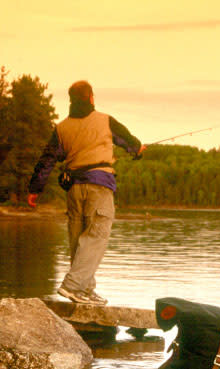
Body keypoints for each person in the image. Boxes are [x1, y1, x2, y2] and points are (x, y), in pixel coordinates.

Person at [27, 80, 143, 306]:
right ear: (91, 97)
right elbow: (130, 143)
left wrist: (35, 189)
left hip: (74, 190)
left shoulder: (61, 128)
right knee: (96, 237)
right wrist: (138, 150)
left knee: (79, 240)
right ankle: (73, 286)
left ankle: (85, 290)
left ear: (71, 100)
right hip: (99, 186)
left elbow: (47, 160)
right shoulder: (106, 121)